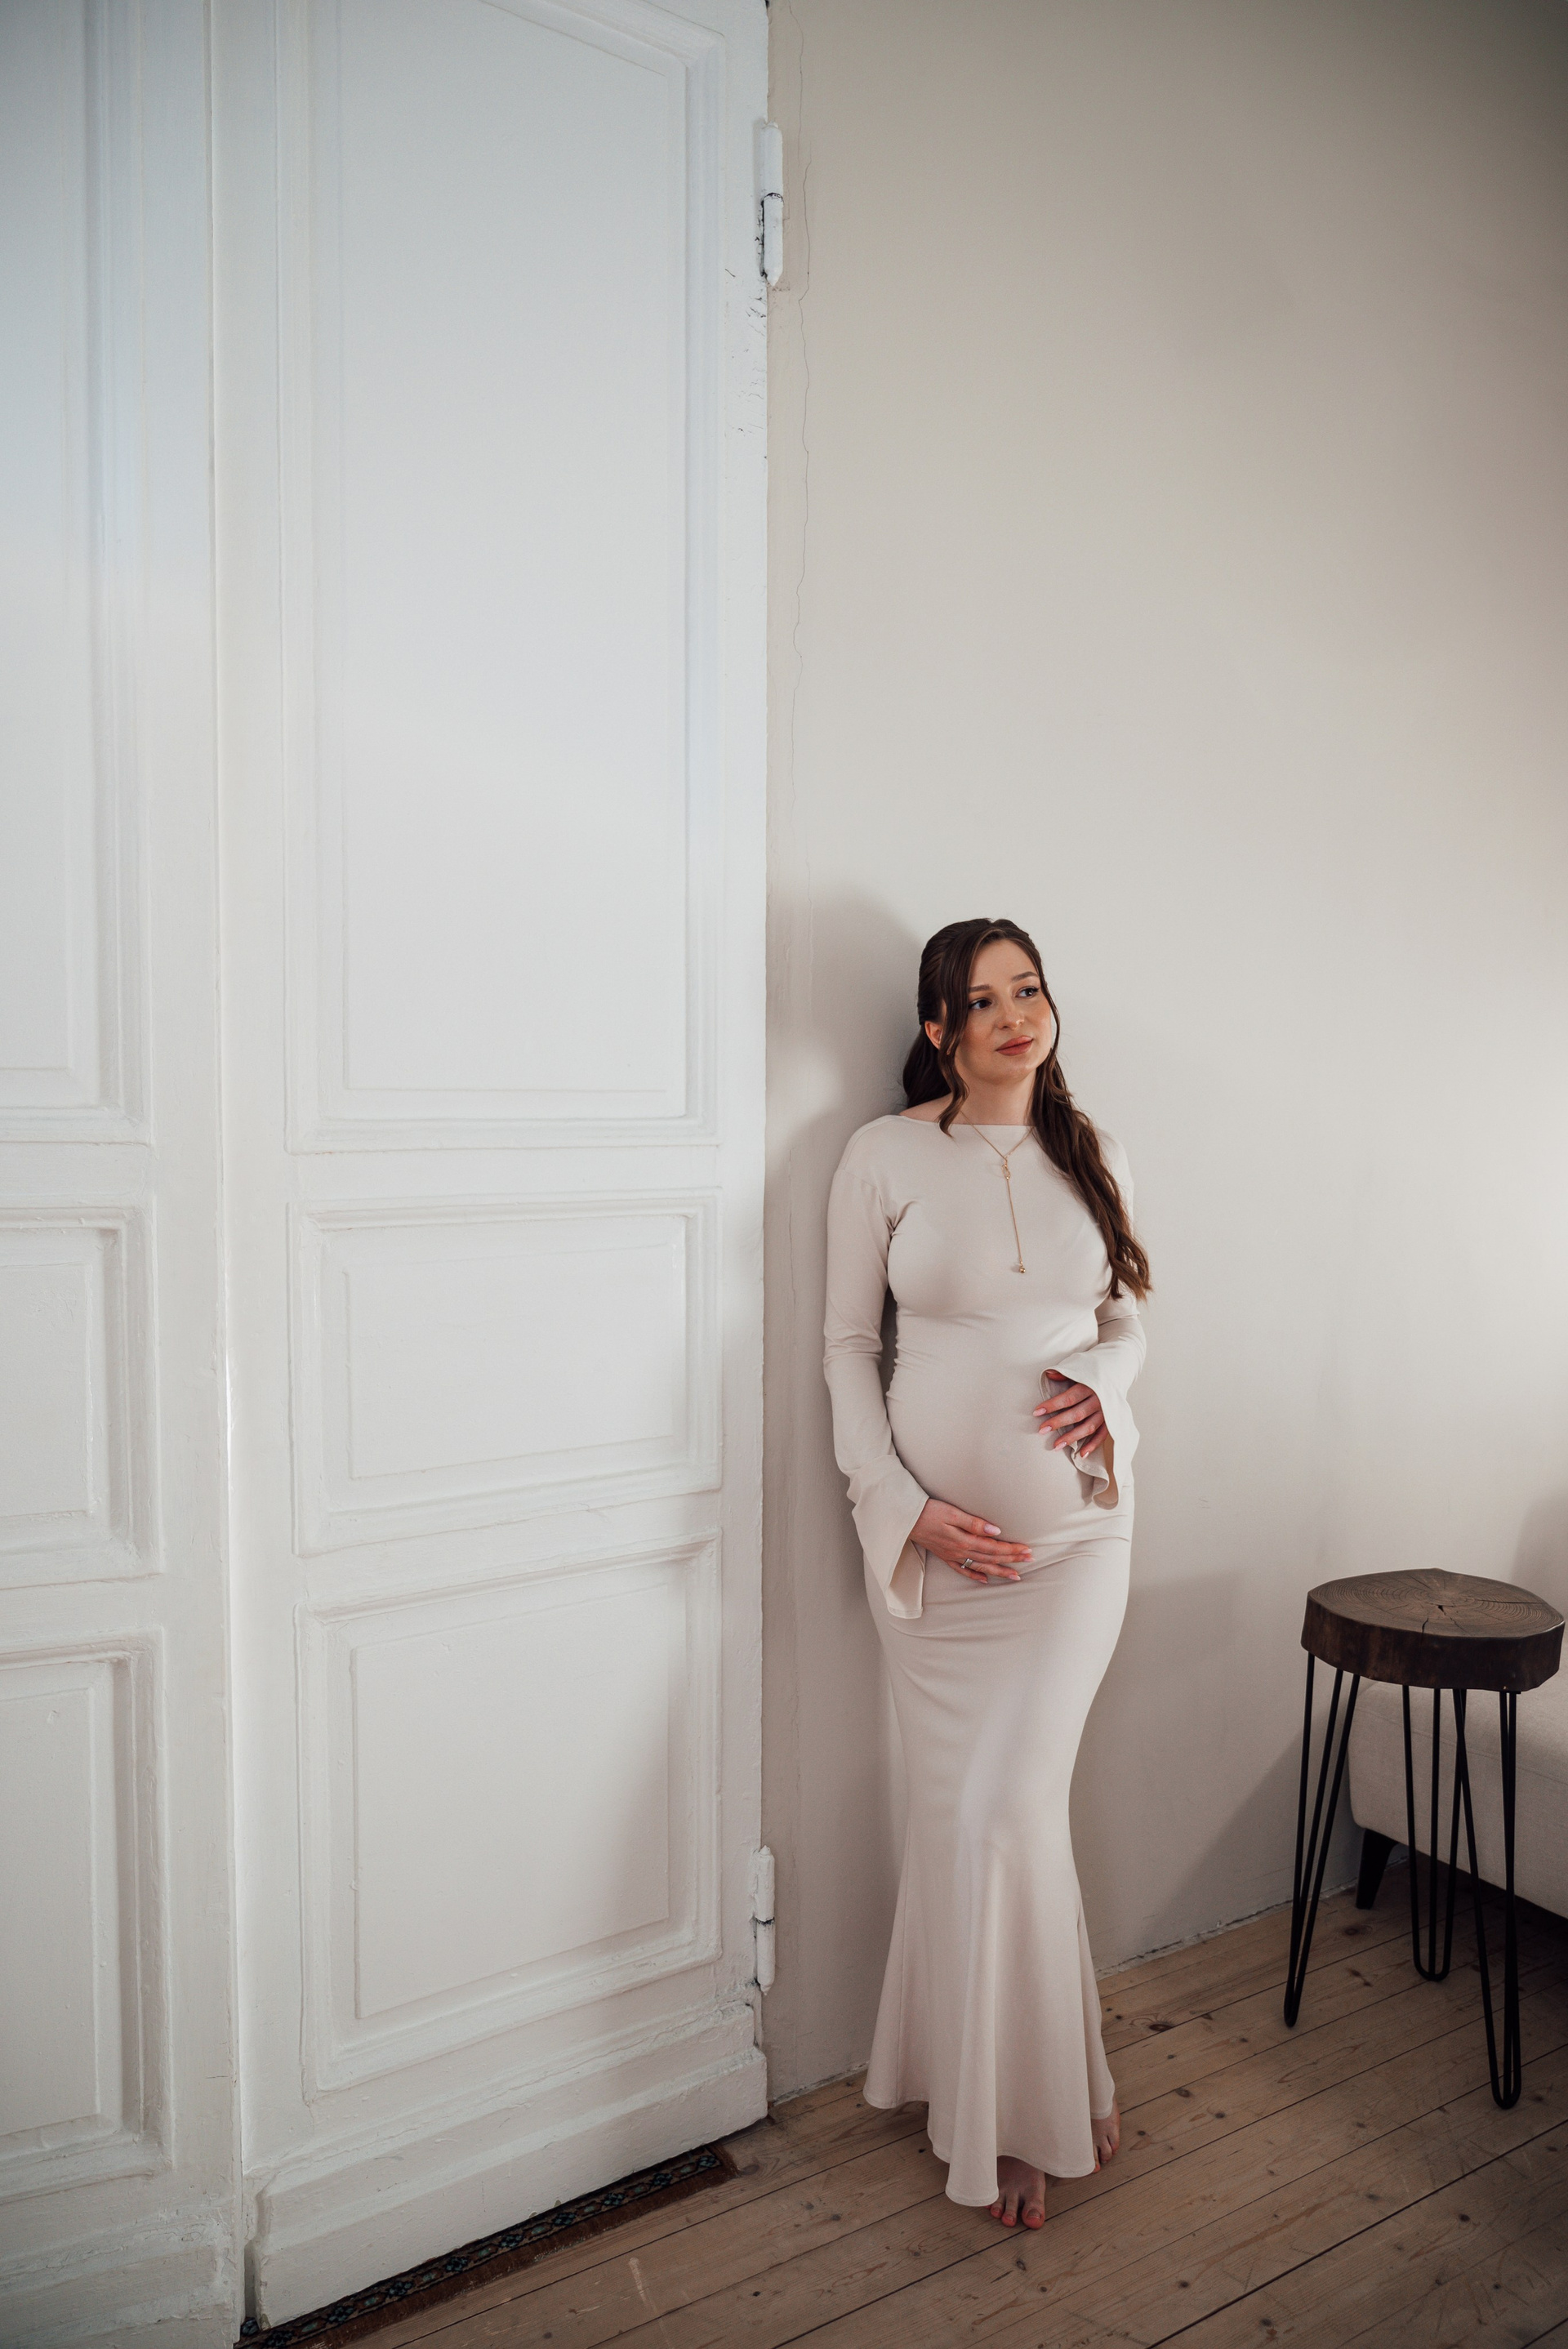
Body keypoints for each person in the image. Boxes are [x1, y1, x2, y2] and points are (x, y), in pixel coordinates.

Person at [823, 916, 1150, 2231]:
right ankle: (1044, 2084)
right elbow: (848, 1349)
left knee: (1006, 1812)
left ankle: (1024, 2116)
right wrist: (903, 1509)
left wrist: (1104, 1380)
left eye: (1030, 991)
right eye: (983, 999)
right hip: (936, 1568)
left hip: (1075, 1544)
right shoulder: (884, 1155)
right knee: (973, 1821)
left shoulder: (1093, 1150)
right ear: (938, 1028)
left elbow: (1129, 1317)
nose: (1017, 1017)